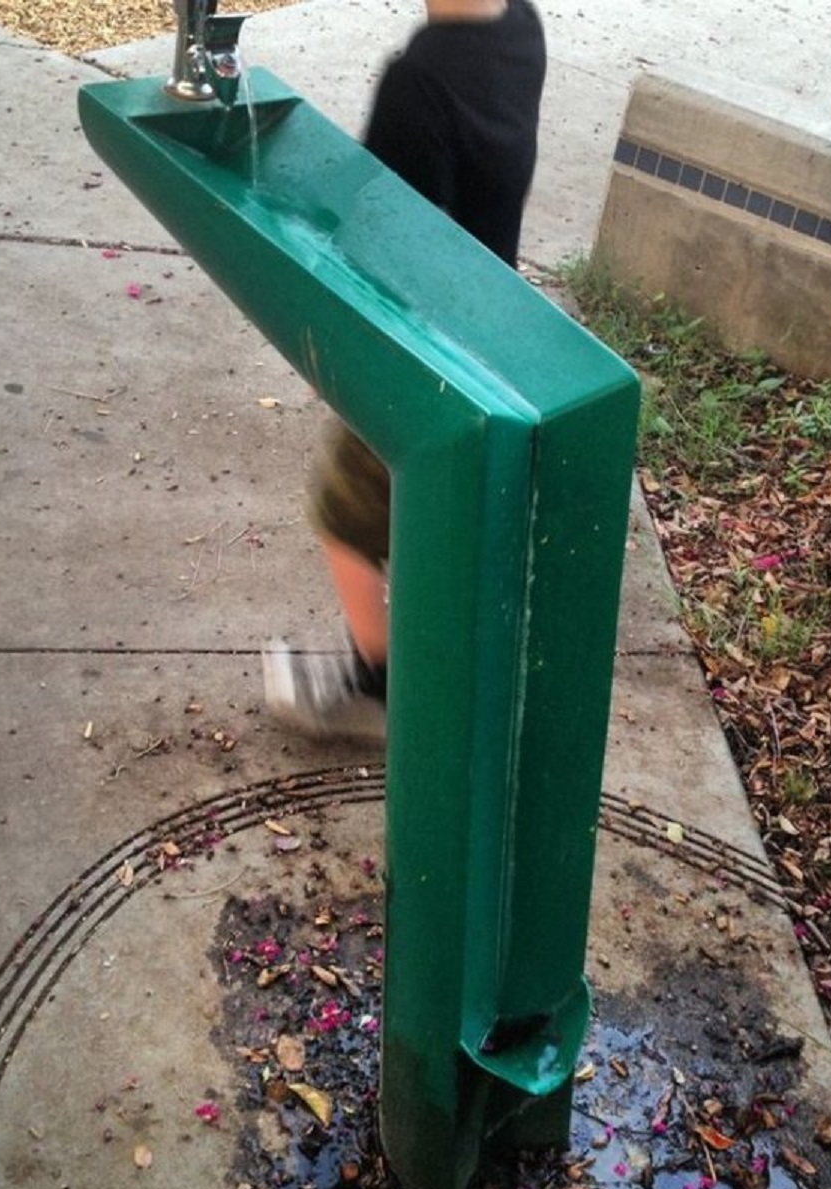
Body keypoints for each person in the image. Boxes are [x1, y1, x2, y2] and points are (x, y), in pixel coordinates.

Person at [262, 0, 547, 739]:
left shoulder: (418, 82)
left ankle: (377, 686)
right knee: (432, 521)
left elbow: (384, 247)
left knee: (345, 514)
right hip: (491, 329)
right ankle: (426, 660)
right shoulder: (521, 28)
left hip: (421, 350)